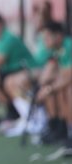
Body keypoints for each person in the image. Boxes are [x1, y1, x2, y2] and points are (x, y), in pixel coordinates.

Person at [34, 21, 72, 150]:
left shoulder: (68, 46)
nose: (44, 41)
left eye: (47, 37)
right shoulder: (57, 50)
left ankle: (68, 131)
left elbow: (69, 76)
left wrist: (49, 89)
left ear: (59, 36)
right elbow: (49, 73)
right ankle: (57, 127)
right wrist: (44, 85)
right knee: (53, 87)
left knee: (66, 89)